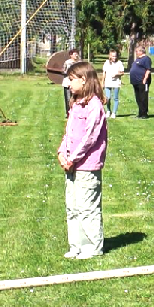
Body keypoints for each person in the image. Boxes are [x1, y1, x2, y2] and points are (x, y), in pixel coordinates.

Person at [58, 61, 109, 260]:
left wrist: (72, 158)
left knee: (88, 207)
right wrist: (62, 153)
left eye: (72, 79)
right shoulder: (75, 104)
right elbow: (69, 132)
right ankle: (76, 245)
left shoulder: (94, 105)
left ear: (84, 80)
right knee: (72, 207)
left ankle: (92, 246)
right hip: (71, 164)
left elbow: (90, 137)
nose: (68, 83)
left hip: (87, 165)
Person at [129, 45, 152, 119]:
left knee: (143, 97)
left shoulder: (146, 59)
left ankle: (144, 113)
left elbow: (148, 70)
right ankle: (140, 113)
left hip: (142, 81)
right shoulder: (137, 59)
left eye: (137, 51)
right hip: (135, 82)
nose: (136, 52)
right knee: (138, 97)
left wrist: (145, 79)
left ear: (141, 51)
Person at [101, 49, 125, 119]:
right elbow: (104, 73)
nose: (114, 57)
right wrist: (102, 82)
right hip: (108, 82)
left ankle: (114, 112)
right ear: (110, 56)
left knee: (115, 98)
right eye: (113, 56)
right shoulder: (106, 63)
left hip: (116, 82)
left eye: (115, 56)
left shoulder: (119, 63)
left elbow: (122, 72)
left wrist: (117, 74)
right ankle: (108, 111)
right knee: (107, 98)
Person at [61, 49, 80, 119]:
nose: (76, 55)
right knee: (68, 99)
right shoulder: (67, 62)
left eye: (77, 54)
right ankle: (68, 113)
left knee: (76, 99)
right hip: (67, 83)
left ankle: (76, 112)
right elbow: (63, 71)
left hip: (77, 83)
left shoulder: (79, 63)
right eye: (75, 54)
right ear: (71, 55)